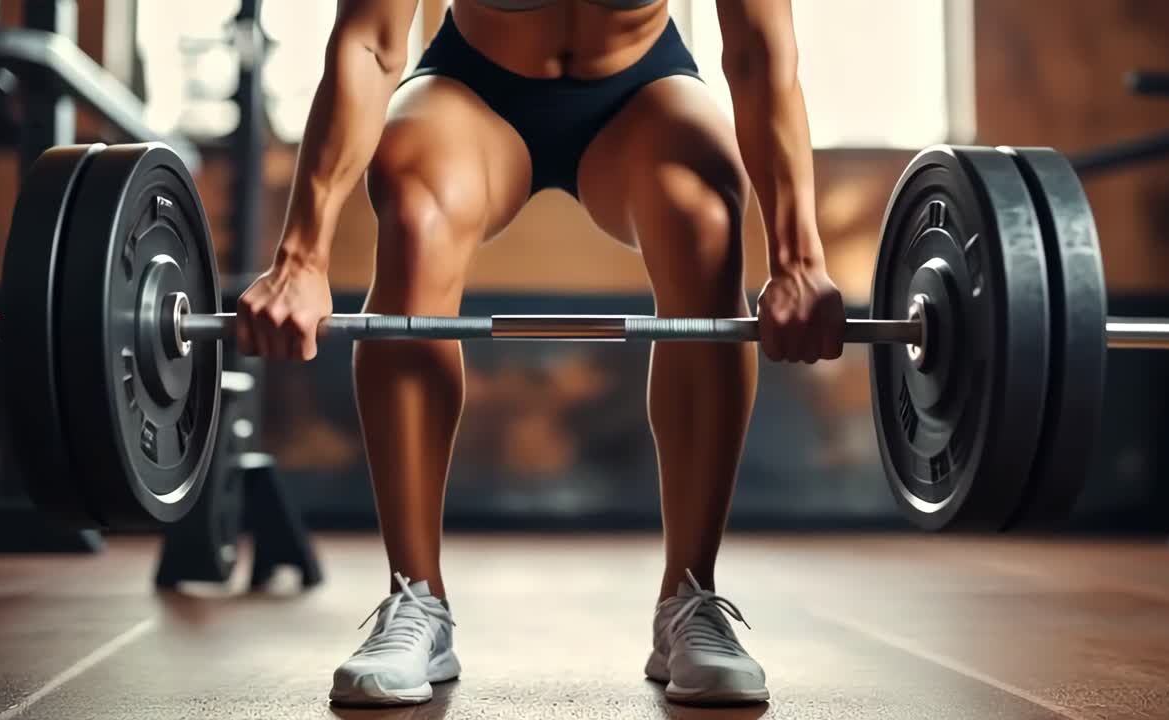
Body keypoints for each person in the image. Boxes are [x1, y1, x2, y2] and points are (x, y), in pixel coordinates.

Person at [236, 0, 845, 707]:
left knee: (703, 215)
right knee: (414, 211)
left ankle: (690, 597)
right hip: (473, 91)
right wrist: (301, 256)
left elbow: (757, 49)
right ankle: (416, 602)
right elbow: (370, 43)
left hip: (641, 91)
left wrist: (798, 257)